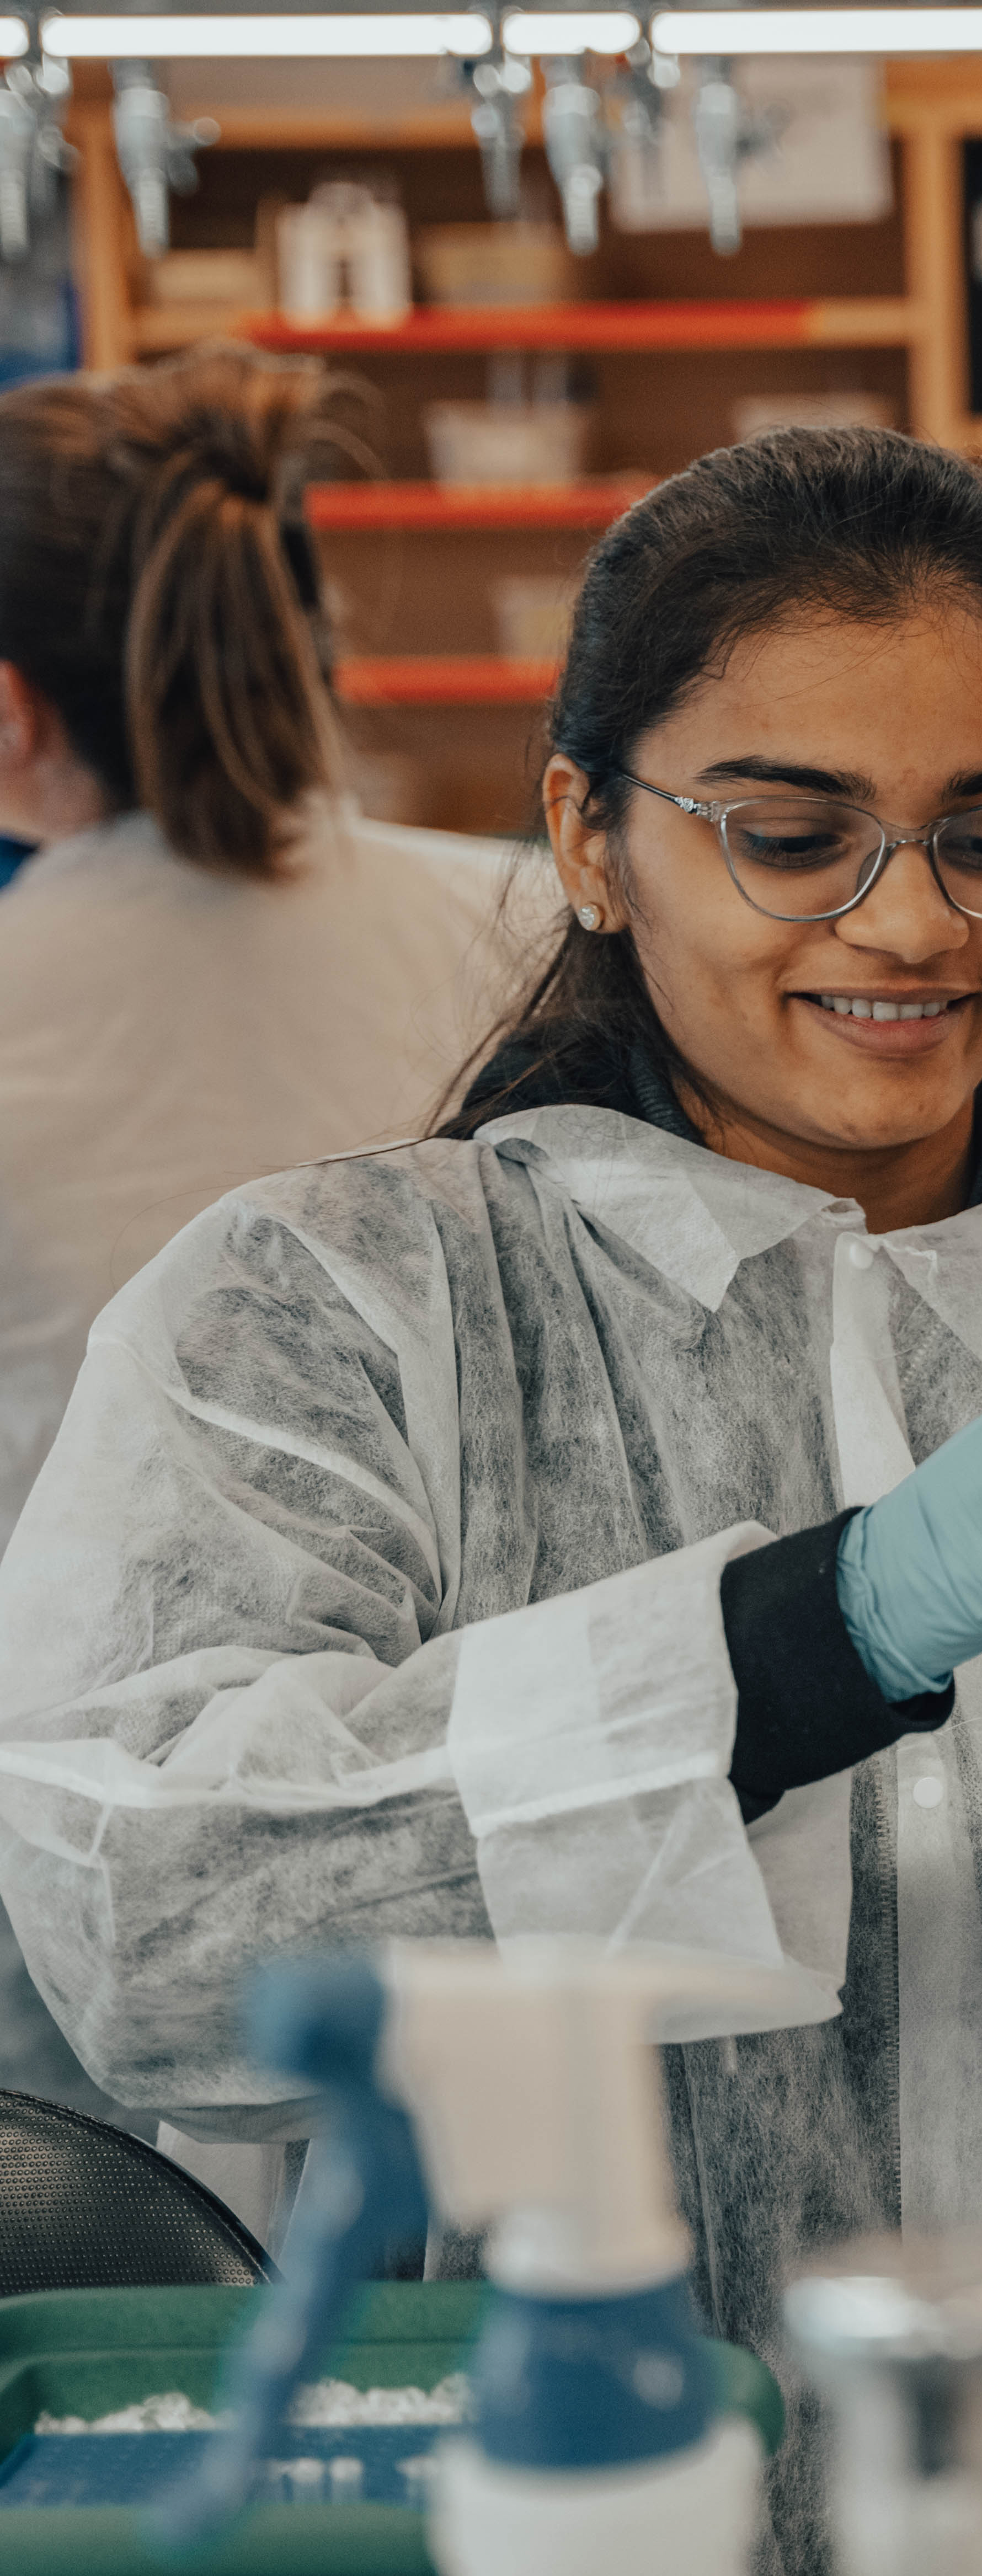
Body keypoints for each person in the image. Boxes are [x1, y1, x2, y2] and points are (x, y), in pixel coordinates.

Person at [0, 426, 982, 2569]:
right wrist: (813, 1630)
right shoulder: (328, 1315)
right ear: (589, 831)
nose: (907, 927)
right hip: (571, 2524)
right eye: (789, 836)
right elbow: (152, 1925)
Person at [0, 345, 521, 2128]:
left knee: (140, 2385)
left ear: (10, 717)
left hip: (75, 1943)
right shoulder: (530, 935)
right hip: (527, 1860)